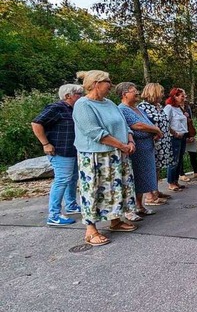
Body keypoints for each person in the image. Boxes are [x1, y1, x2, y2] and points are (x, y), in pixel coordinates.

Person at [72, 70, 137, 247]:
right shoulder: (83, 105)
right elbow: (95, 132)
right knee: (94, 190)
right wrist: (122, 145)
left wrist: (129, 139)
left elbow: (123, 124)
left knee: (116, 189)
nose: (110, 85)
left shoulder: (109, 103)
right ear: (96, 84)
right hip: (96, 156)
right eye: (108, 81)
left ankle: (115, 220)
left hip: (116, 155)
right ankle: (91, 230)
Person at [31, 84, 84, 226]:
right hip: (60, 150)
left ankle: (71, 205)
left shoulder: (74, 109)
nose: (81, 96)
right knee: (62, 180)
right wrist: (45, 143)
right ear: (68, 96)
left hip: (72, 150)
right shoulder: (56, 108)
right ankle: (54, 215)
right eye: (78, 94)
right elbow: (36, 123)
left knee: (72, 178)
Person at [117, 82, 164, 219]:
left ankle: (139, 205)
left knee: (143, 177)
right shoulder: (123, 109)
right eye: (133, 91)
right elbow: (137, 125)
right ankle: (129, 209)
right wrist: (156, 130)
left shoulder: (137, 108)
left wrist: (154, 132)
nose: (137, 93)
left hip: (146, 146)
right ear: (124, 94)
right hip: (136, 148)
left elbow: (147, 123)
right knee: (134, 177)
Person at [138, 83, 173, 204]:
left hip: (162, 143)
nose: (163, 95)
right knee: (150, 168)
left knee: (157, 168)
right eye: (161, 92)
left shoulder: (158, 106)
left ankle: (156, 191)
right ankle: (149, 196)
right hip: (152, 141)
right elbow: (142, 124)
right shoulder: (143, 107)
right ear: (154, 92)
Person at [164, 88, 189, 191]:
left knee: (179, 160)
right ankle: (171, 182)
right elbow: (165, 122)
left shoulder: (179, 108)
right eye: (182, 96)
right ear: (175, 96)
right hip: (174, 137)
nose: (184, 98)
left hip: (182, 136)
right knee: (173, 160)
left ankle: (176, 181)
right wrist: (174, 133)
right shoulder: (169, 108)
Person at [180, 97, 197, 181]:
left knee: (193, 153)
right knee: (180, 155)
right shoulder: (174, 108)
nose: (184, 97)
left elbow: (190, 121)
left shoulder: (187, 107)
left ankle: (196, 172)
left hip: (189, 131)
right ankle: (181, 174)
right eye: (182, 95)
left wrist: (191, 135)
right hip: (180, 134)